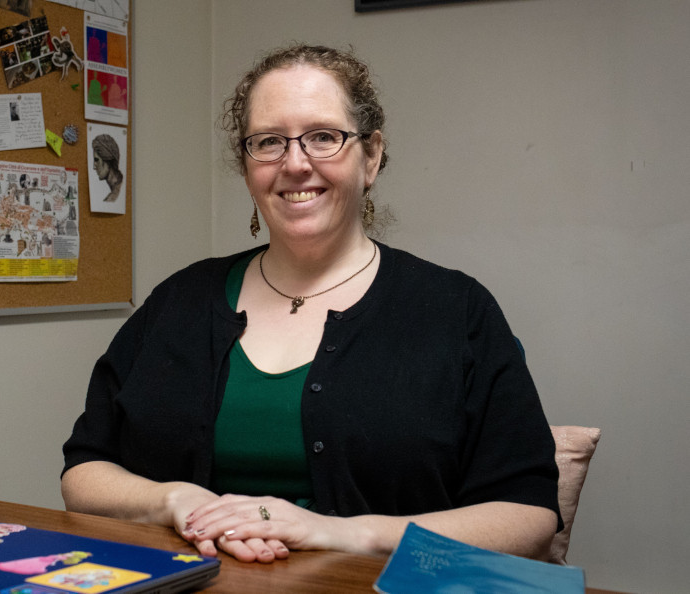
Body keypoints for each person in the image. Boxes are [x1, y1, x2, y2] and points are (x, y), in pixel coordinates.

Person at [61, 44, 561, 564]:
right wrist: (177, 502)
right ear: (247, 167)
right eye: (268, 142)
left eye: (323, 137)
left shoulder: (456, 311)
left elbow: (528, 517)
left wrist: (341, 533)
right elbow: (84, 470)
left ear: (371, 156)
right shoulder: (179, 300)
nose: (296, 164)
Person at [91, 134, 123, 202]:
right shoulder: (116, 191)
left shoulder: (113, 198)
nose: (94, 167)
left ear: (108, 160)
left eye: (96, 160)